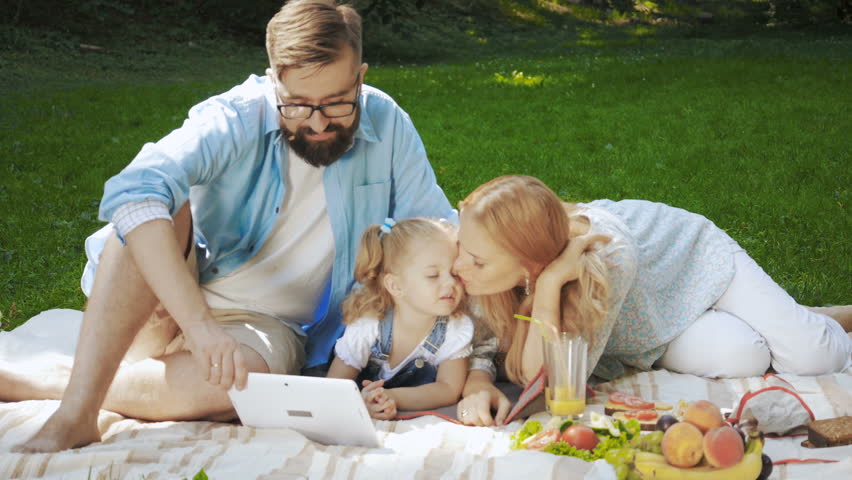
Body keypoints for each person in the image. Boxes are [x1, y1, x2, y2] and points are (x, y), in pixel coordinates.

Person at [0, 0, 456, 452]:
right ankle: (78, 412)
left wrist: (481, 358)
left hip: (264, 325)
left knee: (245, 387)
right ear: (274, 79)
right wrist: (196, 325)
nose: (318, 123)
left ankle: (55, 379)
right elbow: (134, 189)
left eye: (338, 103)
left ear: (361, 76)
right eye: (298, 104)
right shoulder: (234, 116)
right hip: (165, 299)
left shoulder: (387, 122)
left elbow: (437, 230)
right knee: (156, 204)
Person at [451, 175, 852, 426]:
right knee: (743, 356)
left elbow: (558, 385)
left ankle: (816, 317)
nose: (458, 266)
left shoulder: (607, 254)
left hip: (696, 265)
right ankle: (783, 316)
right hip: (651, 326)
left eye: (476, 261)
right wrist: (478, 379)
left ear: (530, 266)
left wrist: (551, 284)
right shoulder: (480, 265)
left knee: (817, 358)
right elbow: (499, 354)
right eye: (461, 248)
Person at [327, 217, 473, 419]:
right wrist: (363, 403)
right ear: (396, 286)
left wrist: (391, 396)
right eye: (433, 275)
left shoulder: (455, 328)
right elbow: (335, 386)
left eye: (455, 274)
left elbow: (449, 389)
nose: (450, 282)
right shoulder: (369, 325)